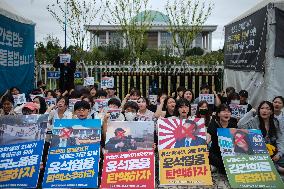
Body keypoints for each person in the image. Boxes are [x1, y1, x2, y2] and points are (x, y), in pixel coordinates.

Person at [238, 101, 284, 172]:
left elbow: (280, 139)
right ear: (258, 110)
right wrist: (251, 112)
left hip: (272, 152)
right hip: (257, 153)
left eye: (267, 108)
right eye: (262, 108)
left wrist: (279, 154)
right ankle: (278, 168)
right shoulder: (253, 121)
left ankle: (275, 166)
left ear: (271, 112)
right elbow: (240, 125)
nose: (264, 111)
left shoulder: (275, 122)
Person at [207, 104, 237, 174]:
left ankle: (218, 167)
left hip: (228, 154)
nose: (226, 113)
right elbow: (209, 136)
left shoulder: (233, 125)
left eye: (228, 111)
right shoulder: (213, 124)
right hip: (215, 153)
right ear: (218, 114)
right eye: (223, 111)